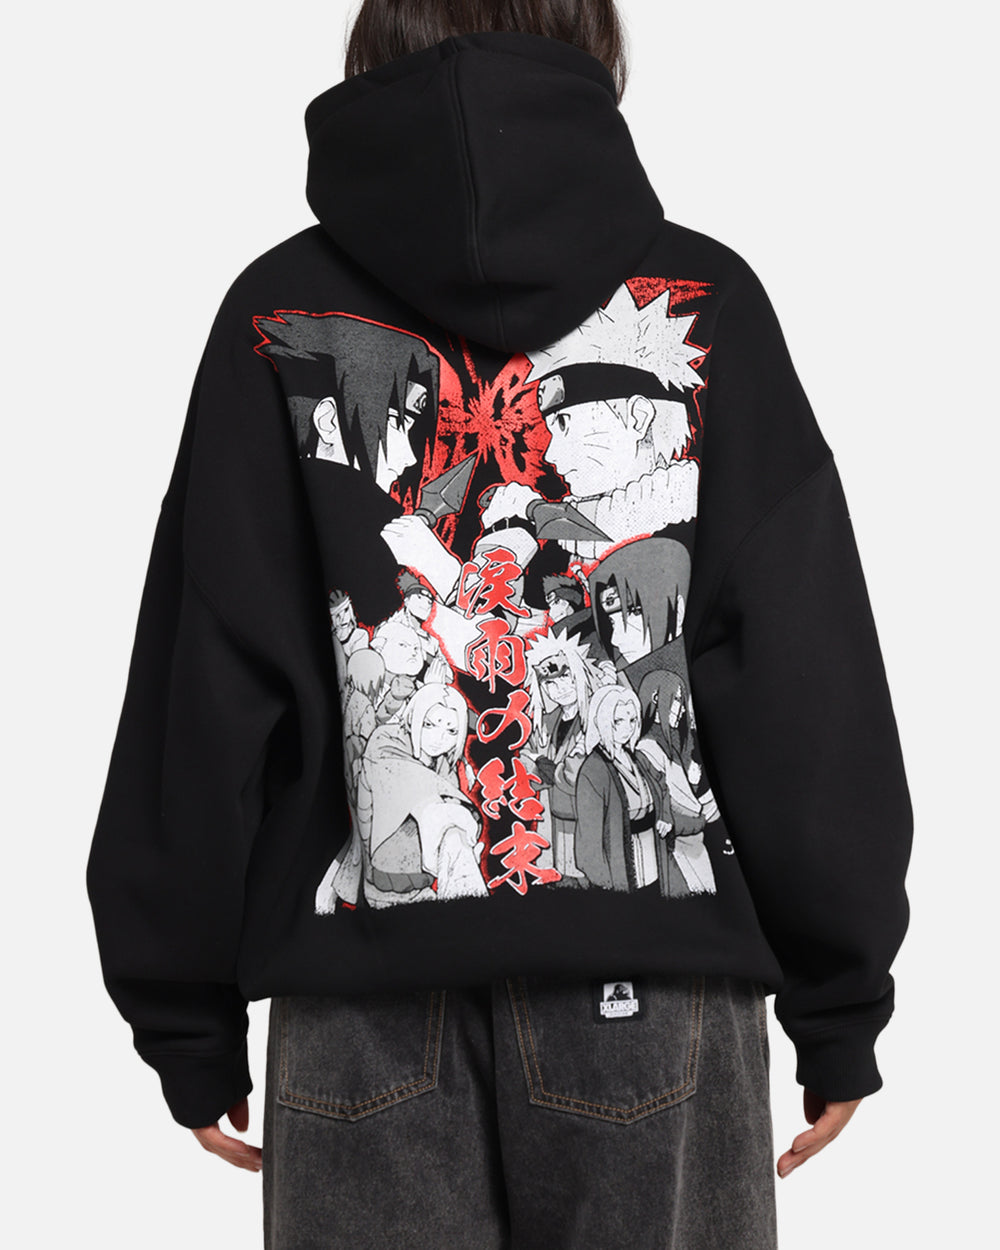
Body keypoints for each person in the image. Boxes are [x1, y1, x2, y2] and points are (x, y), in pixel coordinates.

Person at [85, 2, 914, 1247]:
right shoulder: (707, 301)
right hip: (654, 991)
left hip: (362, 1003)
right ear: (593, 46)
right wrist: (839, 993)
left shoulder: (274, 310)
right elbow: (801, 675)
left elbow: (205, 678)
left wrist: (181, 1008)